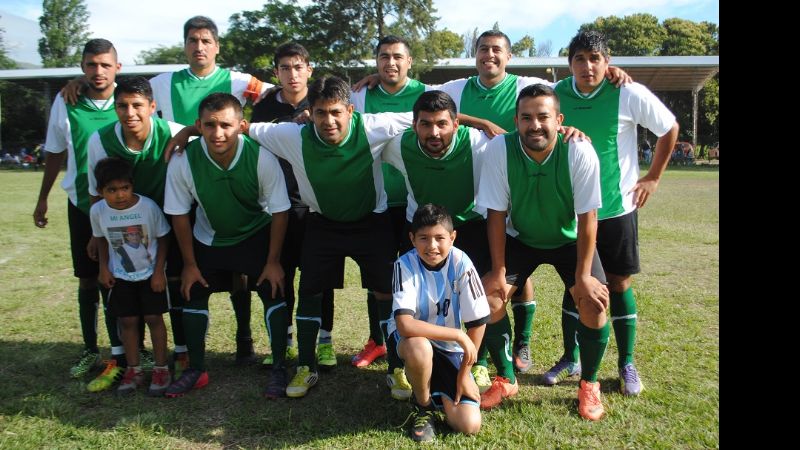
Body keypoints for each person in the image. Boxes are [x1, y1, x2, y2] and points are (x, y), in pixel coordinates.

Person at [246, 75, 413, 398]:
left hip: (371, 221)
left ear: (350, 110)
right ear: (309, 113)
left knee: (385, 293)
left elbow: (428, 115)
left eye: (336, 112)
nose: (329, 120)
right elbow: (242, 128)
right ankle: (306, 366)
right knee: (310, 291)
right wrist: (185, 132)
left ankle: (396, 368)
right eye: (321, 113)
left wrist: (482, 124)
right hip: (323, 223)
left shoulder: (373, 126)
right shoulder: (292, 135)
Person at [550, 30, 678, 397]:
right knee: (576, 282)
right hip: (573, 211)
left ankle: (626, 363)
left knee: (619, 283)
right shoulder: (555, 94)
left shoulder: (627, 92)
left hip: (616, 208)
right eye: (580, 59)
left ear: (607, 63)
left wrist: (652, 177)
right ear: (569, 64)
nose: (588, 66)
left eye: (595, 59)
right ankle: (571, 357)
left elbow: (669, 128)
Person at [477, 84, 610, 419]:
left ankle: (589, 383)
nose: (534, 125)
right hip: (521, 237)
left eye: (543, 117)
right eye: (526, 118)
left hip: (569, 240)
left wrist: (584, 275)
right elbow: (496, 214)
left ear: (559, 120)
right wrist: (498, 270)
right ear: (516, 121)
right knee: (488, 297)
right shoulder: (499, 149)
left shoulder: (579, 150)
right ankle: (506, 379)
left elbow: (588, 218)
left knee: (593, 301)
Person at [163, 93, 290, 398]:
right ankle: (196, 369)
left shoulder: (261, 156)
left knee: (273, 288)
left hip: (254, 234)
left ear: (241, 126)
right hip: (210, 237)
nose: (217, 133)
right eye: (210, 125)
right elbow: (179, 214)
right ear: (198, 126)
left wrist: (273, 261)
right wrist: (190, 265)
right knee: (192, 289)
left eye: (225, 125)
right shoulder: (183, 160)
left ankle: (279, 368)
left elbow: (279, 210)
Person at [85, 76, 187, 392]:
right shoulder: (100, 140)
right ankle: (125, 362)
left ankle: (180, 354)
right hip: (119, 231)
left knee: (171, 290)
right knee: (122, 305)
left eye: (137, 105)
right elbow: (95, 191)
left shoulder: (172, 131)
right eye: (122, 106)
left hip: (163, 222)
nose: (130, 113)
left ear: (152, 107)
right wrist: (95, 235)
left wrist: (189, 131)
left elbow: (209, 134)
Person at [32, 38, 124, 382]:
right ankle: (90, 349)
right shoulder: (66, 100)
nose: (98, 71)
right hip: (82, 205)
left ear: (117, 67)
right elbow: (55, 151)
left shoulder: (128, 100)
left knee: (125, 276)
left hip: (123, 205)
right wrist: (43, 197)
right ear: (82, 67)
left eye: (105, 64)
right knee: (88, 277)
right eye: (91, 64)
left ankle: (129, 349)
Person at [349, 35, 427, 372]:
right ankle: (377, 340)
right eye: (384, 57)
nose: (390, 63)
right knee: (378, 274)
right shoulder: (360, 96)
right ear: (376, 61)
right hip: (376, 200)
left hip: (415, 202)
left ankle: (420, 339)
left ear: (409, 61)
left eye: (397, 56)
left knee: (417, 274)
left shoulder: (426, 93)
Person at [249, 42, 329, 370]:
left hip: (316, 203)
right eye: (285, 68)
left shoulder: (323, 100)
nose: (292, 74)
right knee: (280, 274)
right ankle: (285, 339)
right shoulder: (265, 107)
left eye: (298, 67)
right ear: (276, 72)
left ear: (309, 69)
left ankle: (325, 340)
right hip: (278, 205)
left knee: (319, 276)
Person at [388, 204, 488, 442]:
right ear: (412, 239)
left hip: (449, 348)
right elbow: (405, 325)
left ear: (452, 237)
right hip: (413, 342)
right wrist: (458, 335)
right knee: (420, 348)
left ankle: (436, 390)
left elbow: (478, 322)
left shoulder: (462, 263)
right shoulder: (404, 265)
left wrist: (464, 374)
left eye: (439, 238)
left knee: (469, 424)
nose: (432, 246)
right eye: (423, 238)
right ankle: (423, 407)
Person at [90, 157, 172, 396]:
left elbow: (164, 238)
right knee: (127, 321)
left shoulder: (148, 207)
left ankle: (161, 369)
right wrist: (103, 268)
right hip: (121, 276)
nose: (120, 195)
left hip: (150, 274)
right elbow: (101, 239)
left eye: (124, 188)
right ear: (100, 191)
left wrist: (159, 272)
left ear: (132, 185)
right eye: (112, 190)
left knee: (153, 318)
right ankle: (133, 370)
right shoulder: (98, 211)